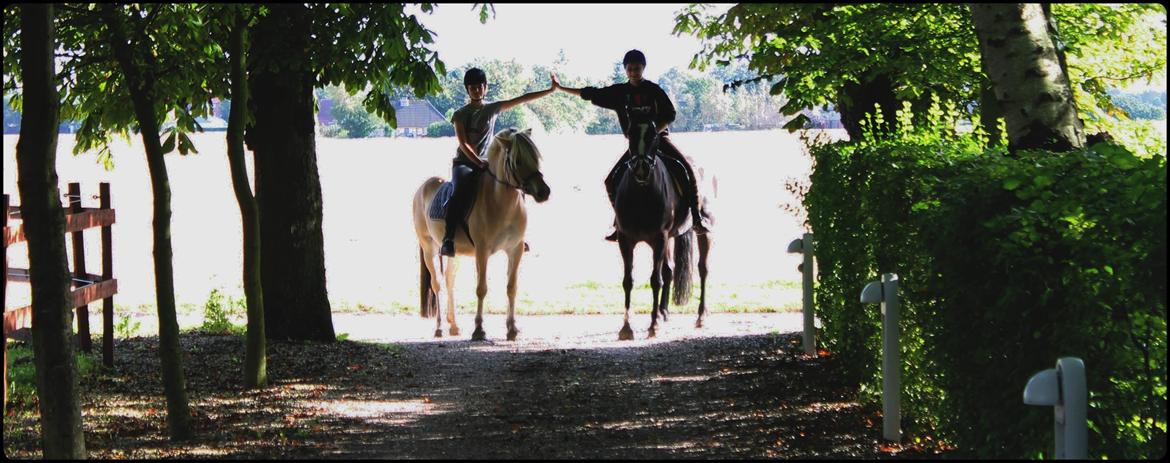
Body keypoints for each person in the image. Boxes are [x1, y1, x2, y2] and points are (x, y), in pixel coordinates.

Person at [552, 49, 711, 241]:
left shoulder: (654, 90)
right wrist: (561, 88)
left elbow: (671, 114)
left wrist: (654, 130)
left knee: (687, 168)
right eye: (630, 69)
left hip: (659, 139)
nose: (634, 72)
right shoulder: (619, 93)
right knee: (610, 180)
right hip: (636, 145)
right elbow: (590, 93)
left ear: (643, 68)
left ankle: (696, 217)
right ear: (625, 70)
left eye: (637, 68)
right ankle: (620, 222)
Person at [441, 67, 556, 257]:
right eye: (472, 88)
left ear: (485, 88)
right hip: (465, 162)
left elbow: (522, 98)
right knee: (458, 190)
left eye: (479, 87)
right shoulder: (460, 114)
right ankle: (449, 238)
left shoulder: (492, 109)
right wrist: (477, 162)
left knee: (517, 185)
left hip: (488, 163)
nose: (476, 90)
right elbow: (463, 143)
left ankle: (518, 234)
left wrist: (549, 90)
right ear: (467, 90)